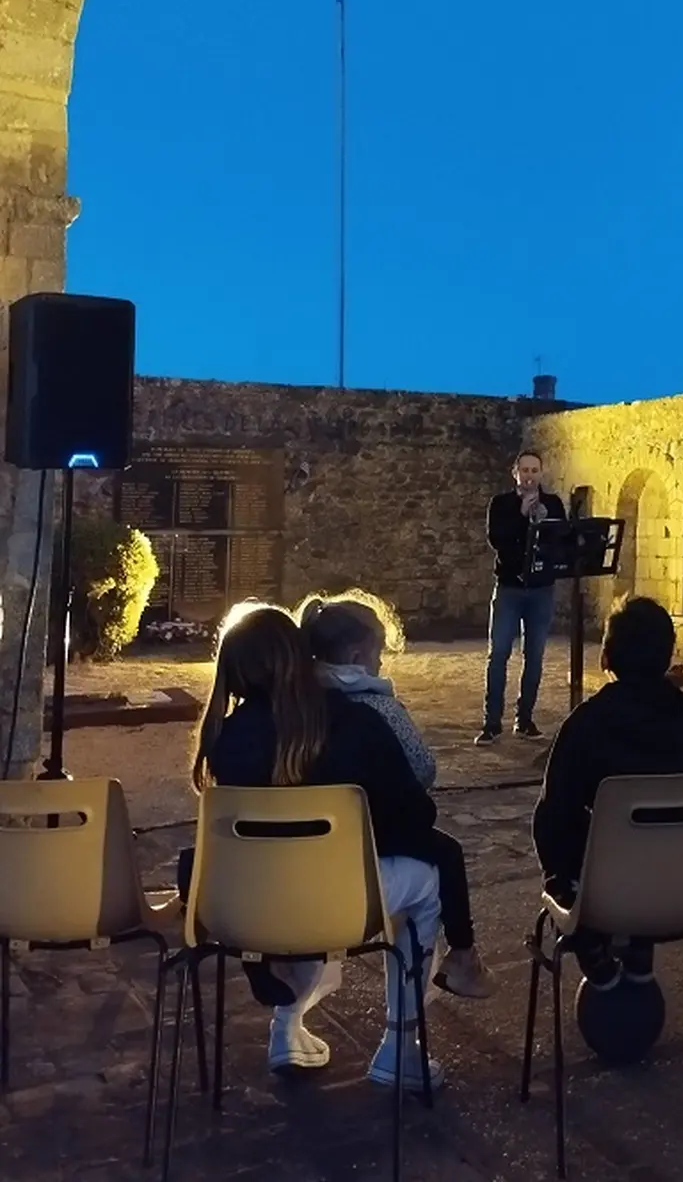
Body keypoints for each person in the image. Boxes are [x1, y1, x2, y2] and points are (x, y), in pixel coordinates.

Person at [191, 602, 444, 1091]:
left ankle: (286, 1028)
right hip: (338, 904)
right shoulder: (355, 723)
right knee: (424, 884)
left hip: (244, 908)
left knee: (292, 890)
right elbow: (418, 813)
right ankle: (399, 1046)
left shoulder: (224, 739)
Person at [298, 589, 494, 999]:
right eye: (378, 654)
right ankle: (456, 965)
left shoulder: (293, 704)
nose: (381, 663)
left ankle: (286, 1028)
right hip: (374, 843)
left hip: (299, 851)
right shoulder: (381, 709)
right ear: (356, 657)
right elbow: (423, 768)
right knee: (444, 856)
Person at [532, 594, 683, 986]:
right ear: (669, 655)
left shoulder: (586, 726)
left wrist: (562, 874)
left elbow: (553, 819)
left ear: (606, 657)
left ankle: (592, 943)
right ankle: (639, 951)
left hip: (611, 894)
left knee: (562, 824)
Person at [478, 449, 566, 744]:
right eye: (524, 470)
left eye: (534, 470)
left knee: (535, 656)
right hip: (509, 589)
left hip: (541, 590)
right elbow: (497, 540)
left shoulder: (552, 503)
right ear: (515, 473)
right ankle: (491, 723)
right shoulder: (501, 504)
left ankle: (524, 719)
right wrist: (521, 516)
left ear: (541, 474)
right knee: (499, 654)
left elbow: (560, 541)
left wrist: (542, 521)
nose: (529, 476)